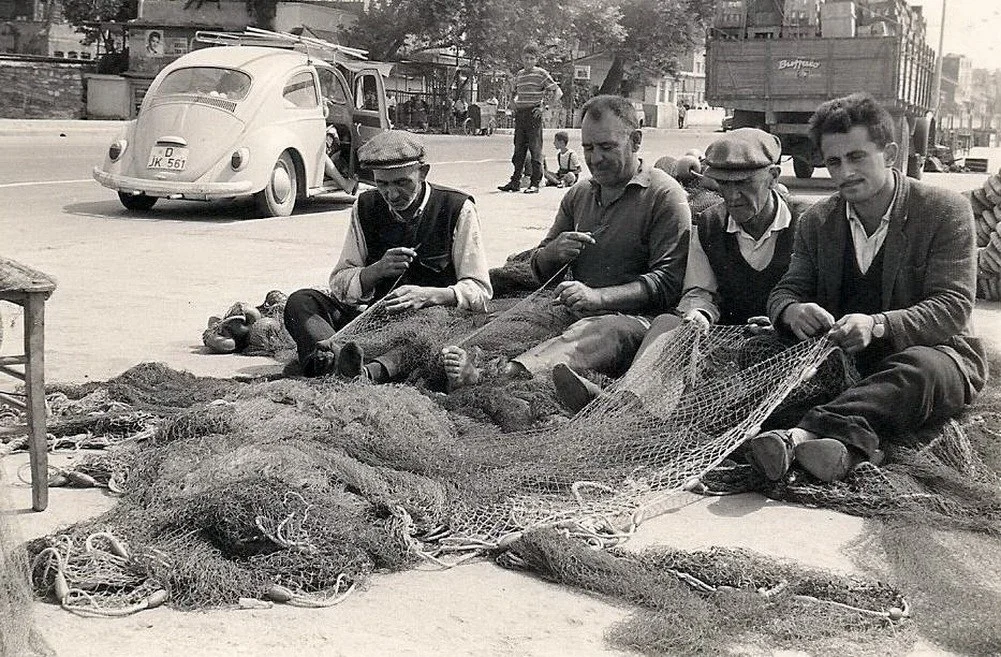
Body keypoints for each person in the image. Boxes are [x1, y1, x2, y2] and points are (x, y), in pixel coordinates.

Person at [743, 93, 988, 483]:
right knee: (756, 354)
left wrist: (878, 325)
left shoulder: (944, 210)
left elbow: (953, 305)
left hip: (933, 354)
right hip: (847, 362)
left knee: (919, 371)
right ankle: (848, 451)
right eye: (834, 161)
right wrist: (791, 311)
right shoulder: (817, 220)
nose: (844, 172)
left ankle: (800, 436)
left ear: (890, 154)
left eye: (857, 157)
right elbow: (786, 290)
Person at [552, 128, 813, 412]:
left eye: (745, 183)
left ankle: (615, 412)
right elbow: (701, 292)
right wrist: (697, 314)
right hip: (729, 337)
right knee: (669, 325)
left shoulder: (807, 223)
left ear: (774, 176)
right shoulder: (709, 224)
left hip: (789, 344)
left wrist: (785, 319)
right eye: (724, 185)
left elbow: (821, 296)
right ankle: (628, 405)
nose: (733, 196)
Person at [444, 95, 691, 389]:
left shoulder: (664, 195)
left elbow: (667, 283)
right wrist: (553, 253)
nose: (595, 158)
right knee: (503, 327)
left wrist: (598, 298)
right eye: (588, 147)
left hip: (637, 323)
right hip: (574, 311)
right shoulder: (579, 194)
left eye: (607, 147)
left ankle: (493, 378)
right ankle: (473, 368)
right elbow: (538, 269)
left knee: (598, 332)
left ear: (636, 141)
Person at [283, 130, 492, 381]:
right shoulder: (365, 205)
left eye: (402, 183)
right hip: (375, 319)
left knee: (425, 336)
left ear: (423, 173)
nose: (392, 195)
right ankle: (333, 360)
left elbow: (480, 291)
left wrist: (429, 295)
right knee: (301, 302)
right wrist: (376, 271)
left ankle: (364, 373)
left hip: (433, 322)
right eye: (382, 184)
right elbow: (339, 282)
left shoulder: (457, 209)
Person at [497, 43, 563, 194]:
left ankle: (535, 183)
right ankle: (515, 182)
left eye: (531, 58)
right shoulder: (520, 75)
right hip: (521, 114)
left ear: (536, 59)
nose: (528, 61)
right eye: (526, 58)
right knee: (518, 150)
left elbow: (557, 92)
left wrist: (544, 107)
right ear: (522, 58)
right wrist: (513, 101)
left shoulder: (541, 73)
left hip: (533, 115)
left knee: (535, 150)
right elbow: (513, 91)